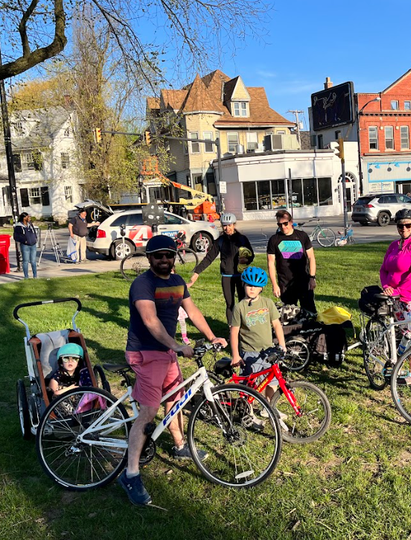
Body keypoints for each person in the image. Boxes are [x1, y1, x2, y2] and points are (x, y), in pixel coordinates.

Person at [117, 234, 227, 506]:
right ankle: (131, 474)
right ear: (149, 258)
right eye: (158, 256)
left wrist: (212, 337)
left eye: (169, 255)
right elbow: (150, 320)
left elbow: (193, 312)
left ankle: (180, 446)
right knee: (148, 412)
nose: (164, 260)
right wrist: (176, 345)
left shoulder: (178, 282)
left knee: (175, 399)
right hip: (145, 352)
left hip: (166, 352)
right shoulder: (142, 284)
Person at [379, 208, 411, 384]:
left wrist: (398, 290)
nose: (404, 229)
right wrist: (386, 286)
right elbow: (384, 268)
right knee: (405, 333)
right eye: (400, 226)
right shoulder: (394, 246)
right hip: (395, 297)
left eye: (408, 225)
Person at [229, 267, 286, 401]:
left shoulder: (268, 303)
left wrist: (282, 344)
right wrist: (236, 355)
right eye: (249, 285)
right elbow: (234, 332)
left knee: (271, 382)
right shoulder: (239, 307)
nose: (252, 289)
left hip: (268, 350)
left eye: (256, 286)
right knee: (250, 386)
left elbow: (277, 324)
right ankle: (248, 411)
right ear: (244, 285)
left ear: (261, 288)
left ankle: (269, 408)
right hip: (249, 352)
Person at [187, 212, 254, 323]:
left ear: (234, 225)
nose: (227, 228)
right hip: (227, 276)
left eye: (229, 225)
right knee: (230, 303)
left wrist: (245, 260)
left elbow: (251, 255)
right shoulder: (220, 241)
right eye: (224, 225)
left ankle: (245, 326)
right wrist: (197, 272)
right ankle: (231, 327)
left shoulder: (242, 239)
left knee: (244, 302)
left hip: (241, 275)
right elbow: (209, 258)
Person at [266, 210, 317, 314]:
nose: (283, 227)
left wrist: (312, 278)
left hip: (304, 281)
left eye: (285, 223)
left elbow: (311, 257)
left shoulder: (302, 236)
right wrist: (274, 285)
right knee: (289, 314)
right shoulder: (274, 239)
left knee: (310, 313)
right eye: (280, 225)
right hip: (285, 283)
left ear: (291, 221)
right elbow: (271, 263)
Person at [13, 212, 38, 279]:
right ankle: (26, 276)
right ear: (24, 218)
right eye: (28, 217)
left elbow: (34, 233)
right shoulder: (18, 226)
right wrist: (24, 240)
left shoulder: (30, 225)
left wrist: (35, 239)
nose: (29, 218)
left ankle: (35, 276)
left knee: (33, 261)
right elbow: (16, 237)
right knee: (25, 261)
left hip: (33, 244)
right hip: (25, 245)